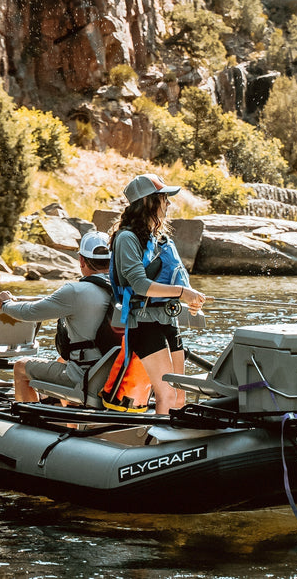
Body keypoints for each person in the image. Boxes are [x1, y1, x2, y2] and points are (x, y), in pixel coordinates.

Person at [108, 173, 206, 415]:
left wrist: (190, 300)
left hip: (167, 320)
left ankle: (173, 439)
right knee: (167, 394)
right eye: (164, 198)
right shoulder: (126, 239)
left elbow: (172, 280)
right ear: (149, 202)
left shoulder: (159, 239)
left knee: (180, 395)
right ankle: (160, 446)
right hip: (143, 323)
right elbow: (140, 285)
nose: (168, 203)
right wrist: (183, 292)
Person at [0, 231, 117, 404]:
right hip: (117, 374)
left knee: (21, 367)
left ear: (81, 260)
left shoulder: (75, 291)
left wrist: (6, 304)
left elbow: (29, 312)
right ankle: (70, 422)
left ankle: (30, 422)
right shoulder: (124, 290)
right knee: (65, 360)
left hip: (83, 376)